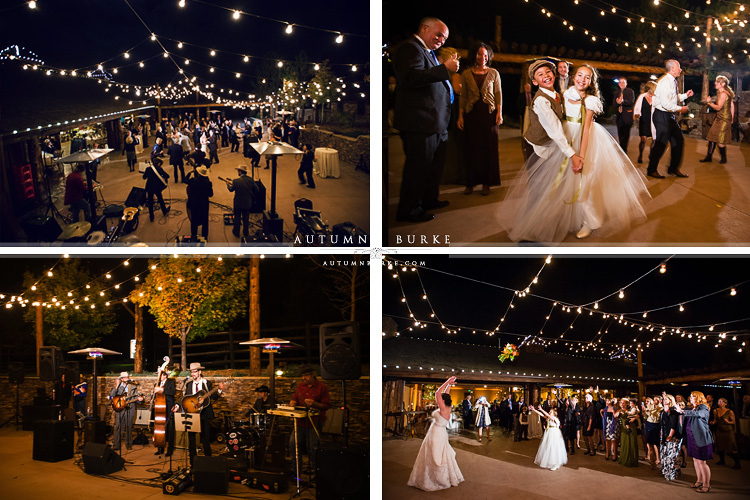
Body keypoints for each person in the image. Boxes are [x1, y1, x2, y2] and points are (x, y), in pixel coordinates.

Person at [499, 60, 584, 243]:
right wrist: (572, 154)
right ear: (535, 82)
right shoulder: (540, 101)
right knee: (538, 190)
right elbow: (554, 129)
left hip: (550, 145)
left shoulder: (557, 94)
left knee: (550, 188)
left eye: (548, 71)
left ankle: (543, 223)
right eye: (540, 74)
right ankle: (528, 232)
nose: (546, 75)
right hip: (535, 147)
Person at [562, 64, 651, 239]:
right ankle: (570, 216)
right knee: (567, 180)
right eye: (580, 75)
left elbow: (586, 129)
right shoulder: (565, 94)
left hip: (586, 140)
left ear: (591, 82)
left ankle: (590, 221)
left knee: (587, 181)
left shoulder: (590, 101)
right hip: (566, 136)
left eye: (587, 77)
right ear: (573, 77)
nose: (582, 79)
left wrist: (581, 154)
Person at [393, 17, 458, 223]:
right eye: (438, 34)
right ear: (424, 28)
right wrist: (444, 68)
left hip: (436, 123)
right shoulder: (409, 48)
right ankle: (409, 210)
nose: (441, 40)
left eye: (444, 38)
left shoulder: (427, 53)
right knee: (418, 169)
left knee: (433, 168)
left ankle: (428, 200)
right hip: (420, 123)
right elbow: (411, 78)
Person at [457, 42, 502, 196]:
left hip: (489, 114)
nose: (482, 57)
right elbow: (463, 97)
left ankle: (486, 183)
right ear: (473, 55)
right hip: (471, 114)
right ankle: (470, 183)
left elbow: (498, 94)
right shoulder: (466, 73)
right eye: (479, 54)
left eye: (485, 55)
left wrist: (499, 113)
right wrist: (461, 116)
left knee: (488, 149)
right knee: (471, 149)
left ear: (488, 56)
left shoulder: (494, 73)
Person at [408, 375, 464, 490]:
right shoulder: (447, 407)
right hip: (440, 432)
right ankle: (443, 476)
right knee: (438, 453)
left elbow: (437, 393)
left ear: (442, 401)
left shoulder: (443, 408)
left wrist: (447, 381)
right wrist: (449, 385)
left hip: (436, 433)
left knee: (435, 454)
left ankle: (435, 478)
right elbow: (444, 394)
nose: (438, 400)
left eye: (440, 399)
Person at [647, 59, 694, 179]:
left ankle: (673, 169)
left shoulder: (672, 81)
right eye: (679, 67)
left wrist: (685, 96)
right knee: (661, 143)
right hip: (662, 115)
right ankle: (651, 169)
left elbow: (673, 97)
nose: (680, 69)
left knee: (678, 140)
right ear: (673, 68)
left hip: (669, 116)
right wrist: (680, 109)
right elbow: (665, 104)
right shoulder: (664, 82)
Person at [182, 362, 225, 465]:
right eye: (191, 372)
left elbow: (214, 397)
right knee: (191, 439)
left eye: (195, 372)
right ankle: (193, 463)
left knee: (205, 438)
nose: (193, 374)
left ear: (200, 372)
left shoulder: (207, 383)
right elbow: (185, 399)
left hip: (204, 414)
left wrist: (219, 390)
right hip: (192, 413)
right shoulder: (188, 384)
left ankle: (208, 462)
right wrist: (178, 406)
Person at [288, 365, 330, 470]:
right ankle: (296, 469)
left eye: (306, 375)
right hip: (301, 421)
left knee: (312, 448)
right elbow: (295, 400)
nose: (304, 378)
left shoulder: (321, 387)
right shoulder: (300, 387)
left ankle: (317, 471)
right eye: (303, 376)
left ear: (313, 375)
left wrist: (314, 404)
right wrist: (293, 402)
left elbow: (326, 405)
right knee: (293, 444)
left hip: (314, 422)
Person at [674, 391, 713, 492]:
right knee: (695, 461)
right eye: (690, 397)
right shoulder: (692, 407)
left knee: (702, 462)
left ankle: (706, 485)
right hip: (693, 438)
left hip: (701, 438)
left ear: (698, 397)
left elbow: (698, 414)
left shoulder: (703, 407)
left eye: (692, 397)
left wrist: (683, 411)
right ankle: (699, 481)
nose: (690, 398)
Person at [700, 75, 735, 164]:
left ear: (723, 84)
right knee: (711, 137)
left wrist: (709, 103)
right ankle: (709, 157)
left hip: (724, 119)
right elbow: (732, 106)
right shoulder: (724, 92)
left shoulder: (723, 93)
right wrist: (732, 118)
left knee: (720, 140)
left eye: (717, 82)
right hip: (719, 118)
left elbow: (718, 107)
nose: (715, 83)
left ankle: (724, 158)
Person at [110, 371, 143, 452]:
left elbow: (136, 399)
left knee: (129, 427)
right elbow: (112, 395)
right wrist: (116, 386)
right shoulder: (118, 387)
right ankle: (116, 445)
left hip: (130, 409)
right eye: (125, 377)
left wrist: (140, 400)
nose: (127, 378)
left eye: (128, 377)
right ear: (121, 379)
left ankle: (128, 444)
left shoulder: (133, 387)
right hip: (120, 410)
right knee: (118, 427)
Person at [530, 405, 567, 470]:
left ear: (554, 414)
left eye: (551, 412)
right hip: (549, 433)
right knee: (549, 448)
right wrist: (534, 410)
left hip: (554, 434)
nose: (549, 413)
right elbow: (542, 415)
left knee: (554, 448)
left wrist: (541, 409)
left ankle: (556, 464)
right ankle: (552, 462)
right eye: (549, 412)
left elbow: (547, 415)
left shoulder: (555, 418)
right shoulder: (549, 418)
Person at [153, 366, 177, 457]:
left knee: (170, 429)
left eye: (160, 375)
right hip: (160, 408)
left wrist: (162, 390)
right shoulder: (157, 383)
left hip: (169, 407)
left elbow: (173, 392)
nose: (158, 377)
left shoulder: (171, 382)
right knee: (160, 429)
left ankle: (170, 450)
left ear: (164, 376)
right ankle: (160, 448)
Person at [710, 397, 740, 469]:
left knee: (732, 445)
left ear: (725, 403)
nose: (719, 403)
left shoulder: (729, 411)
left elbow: (733, 422)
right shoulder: (715, 411)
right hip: (719, 430)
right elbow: (715, 420)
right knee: (720, 445)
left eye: (721, 401)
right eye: (718, 401)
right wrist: (713, 422)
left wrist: (728, 422)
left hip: (728, 430)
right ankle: (722, 460)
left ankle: (737, 463)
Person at [225, 165, 254, 240]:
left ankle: (236, 232)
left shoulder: (236, 181)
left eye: (238, 171)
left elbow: (231, 189)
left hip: (238, 203)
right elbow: (256, 190)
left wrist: (228, 184)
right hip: (247, 203)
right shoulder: (251, 180)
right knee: (246, 218)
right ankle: (246, 232)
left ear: (240, 172)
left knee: (237, 217)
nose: (237, 172)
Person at [186, 165, 213, 241]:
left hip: (194, 203)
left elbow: (185, 179)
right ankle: (205, 237)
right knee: (205, 220)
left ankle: (194, 236)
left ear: (198, 173)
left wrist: (189, 172)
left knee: (194, 220)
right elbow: (210, 194)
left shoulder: (193, 181)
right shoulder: (208, 183)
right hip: (204, 204)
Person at [660, 394, 683, 481]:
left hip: (672, 435)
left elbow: (673, 424)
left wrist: (670, 435)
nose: (664, 401)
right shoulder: (663, 411)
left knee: (672, 455)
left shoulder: (673, 411)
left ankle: (674, 473)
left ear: (670, 400)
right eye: (663, 399)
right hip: (664, 434)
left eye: (666, 399)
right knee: (665, 454)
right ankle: (666, 471)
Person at [633, 81, 657, 164]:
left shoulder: (656, 98)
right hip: (644, 120)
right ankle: (640, 154)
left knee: (654, 139)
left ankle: (651, 155)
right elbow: (637, 107)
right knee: (643, 139)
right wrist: (636, 114)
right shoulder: (642, 97)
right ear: (649, 89)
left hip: (653, 121)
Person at [142, 157, 170, 222]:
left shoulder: (148, 169)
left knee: (150, 201)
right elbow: (167, 176)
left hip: (149, 187)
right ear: (159, 163)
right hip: (157, 187)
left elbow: (144, 177)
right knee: (160, 199)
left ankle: (151, 216)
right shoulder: (159, 169)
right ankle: (164, 211)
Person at [613, 77, 635, 152]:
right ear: (618, 84)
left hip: (627, 116)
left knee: (626, 134)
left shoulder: (630, 91)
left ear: (626, 83)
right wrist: (617, 102)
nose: (622, 84)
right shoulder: (616, 92)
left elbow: (631, 102)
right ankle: (622, 147)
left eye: (623, 82)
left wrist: (622, 101)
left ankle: (624, 149)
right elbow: (614, 104)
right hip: (619, 116)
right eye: (620, 82)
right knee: (620, 133)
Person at [618, 397, 640, 467]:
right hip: (623, 428)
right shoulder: (620, 410)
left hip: (631, 427)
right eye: (621, 402)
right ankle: (624, 458)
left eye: (623, 403)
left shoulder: (630, 409)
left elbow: (637, 415)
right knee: (625, 444)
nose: (621, 404)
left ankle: (632, 460)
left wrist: (634, 418)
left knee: (631, 444)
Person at [643, 396, 662, 469]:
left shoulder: (661, 408)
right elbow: (645, 416)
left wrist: (648, 411)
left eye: (656, 400)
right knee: (649, 443)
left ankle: (658, 459)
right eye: (654, 399)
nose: (654, 401)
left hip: (656, 425)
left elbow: (656, 415)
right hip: (649, 424)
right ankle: (652, 462)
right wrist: (644, 411)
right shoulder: (650, 406)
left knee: (656, 444)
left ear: (659, 401)